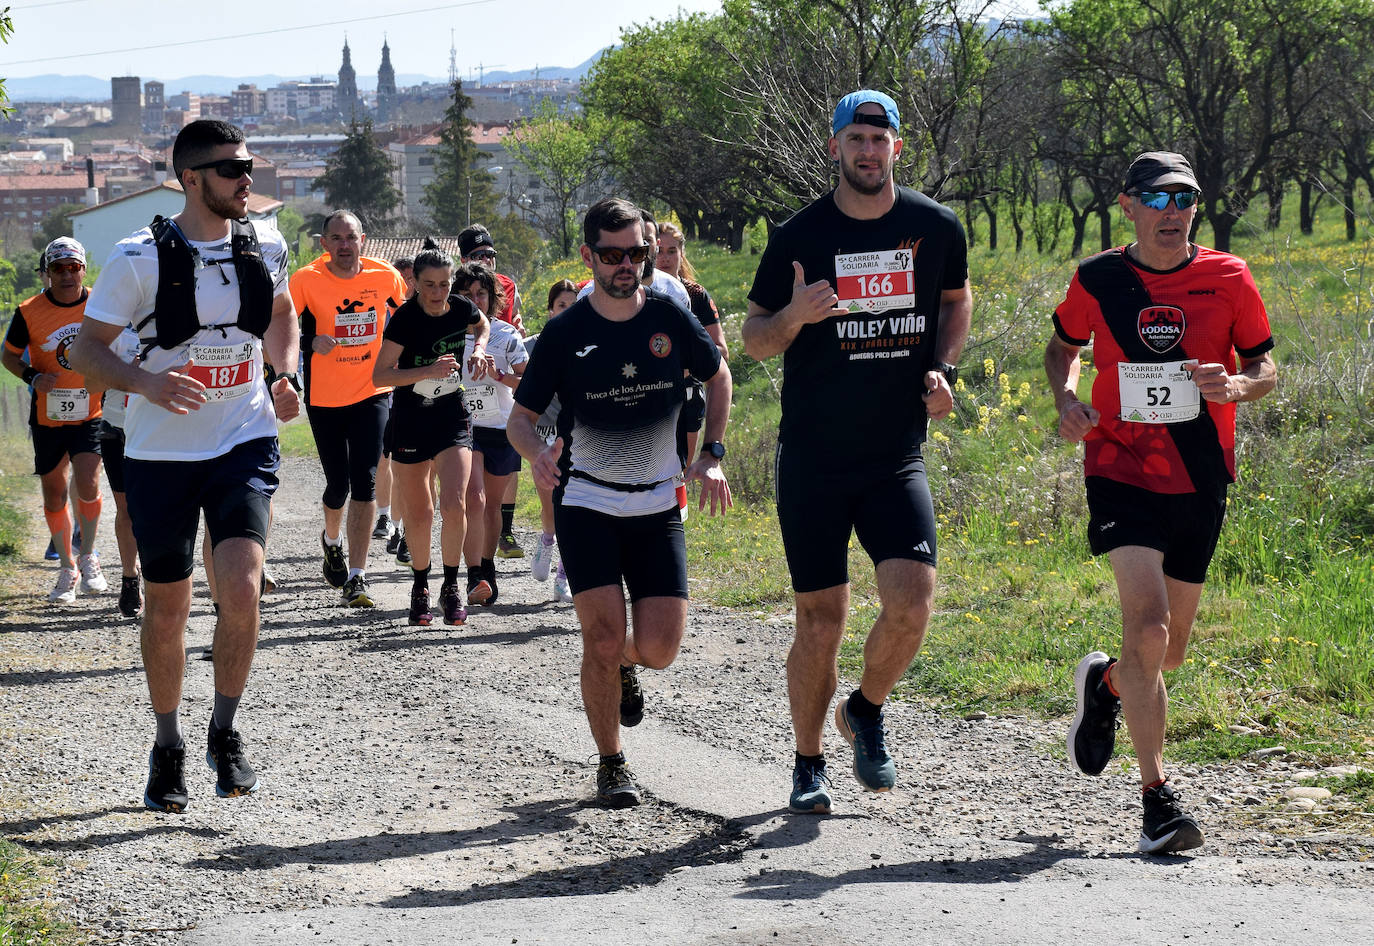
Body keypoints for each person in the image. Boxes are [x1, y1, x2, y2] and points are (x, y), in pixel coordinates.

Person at [741, 90, 972, 815]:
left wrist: (944, 366)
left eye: (881, 139)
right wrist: (794, 316)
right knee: (822, 619)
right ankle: (808, 762)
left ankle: (865, 709)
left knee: (912, 602)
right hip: (813, 458)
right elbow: (751, 338)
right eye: (856, 139)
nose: (869, 151)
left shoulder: (935, 226)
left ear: (897, 147)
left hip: (894, 453)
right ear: (835, 145)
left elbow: (957, 300)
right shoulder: (800, 235)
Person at [1045, 151, 1277, 855]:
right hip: (1120, 465)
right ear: (1129, 205)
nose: (1172, 210)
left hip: (1202, 472)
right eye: (1158, 197)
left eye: (1184, 198)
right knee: (1146, 628)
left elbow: (1266, 364)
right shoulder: (1100, 278)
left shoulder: (1230, 277)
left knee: (1167, 654)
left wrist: (1238, 388)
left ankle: (1107, 686)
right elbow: (1062, 348)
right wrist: (1065, 398)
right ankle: (1158, 801)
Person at [71, 118, 300, 813]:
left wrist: (284, 373)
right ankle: (167, 744)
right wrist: (145, 384)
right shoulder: (136, 258)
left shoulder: (266, 241)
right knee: (168, 608)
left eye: (249, 166)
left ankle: (223, 732)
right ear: (192, 178)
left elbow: (283, 310)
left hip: (243, 440)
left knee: (242, 586)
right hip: (159, 453)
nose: (246, 179)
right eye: (232, 169)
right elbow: (86, 351)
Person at [508, 197, 733, 808]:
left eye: (637, 252)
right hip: (586, 503)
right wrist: (538, 453)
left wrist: (711, 453)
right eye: (612, 255)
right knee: (602, 639)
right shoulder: (564, 332)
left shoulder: (669, 317)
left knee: (658, 647)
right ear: (589, 257)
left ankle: (625, 667)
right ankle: (611, 763)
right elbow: (520, 421)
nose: (627, 265)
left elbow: (718, 375)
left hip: (658, 503)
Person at [290, 209, 409, 607]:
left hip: (372, 391)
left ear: (363, 240)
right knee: (337, 485)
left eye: (351, 237)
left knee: (366, 482)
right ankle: (331, 541)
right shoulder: (306, 280)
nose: (344, 245)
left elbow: (410, 317)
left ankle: (357, 577)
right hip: (324, 399)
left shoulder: (384, 276)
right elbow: (281, 330)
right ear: (324, 244)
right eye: (336, 238)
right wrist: (310, 344)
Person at [372, 245, 490, 627]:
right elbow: (381, 376)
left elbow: (482, 323)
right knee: (420, 514)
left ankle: (451, 586)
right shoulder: (405, 320)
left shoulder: (460, 307)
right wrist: (426, 371)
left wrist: (480, 349)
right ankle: (420, 586)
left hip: (451, 417)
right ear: (416, 284)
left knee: (454, 503)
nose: (438, 293)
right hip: (410, 419)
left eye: (444, 284)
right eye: (429, 285)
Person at [2, 236, 109, 605]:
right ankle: (67, 567)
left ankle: (89, 554)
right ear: (47, 273)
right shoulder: (29, 310)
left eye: (73, 267)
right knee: (53, 492)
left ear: (83, 269)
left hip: (91, 411)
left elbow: (120, 343)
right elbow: (9, 356)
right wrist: (32, 376)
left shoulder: (101, 303)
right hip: (47, 415)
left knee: (89, 481)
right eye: (58, 269)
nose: (67, 275)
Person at [452, 263, 528, 606]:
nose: (474, 299)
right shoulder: (449, 334)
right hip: (464, 427)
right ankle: (474, 575)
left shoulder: (506, 335)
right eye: (466, 294)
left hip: (501, 426)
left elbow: (530, 384)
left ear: (492, 297)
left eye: (480, 293)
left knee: (492, 506)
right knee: (475, 498)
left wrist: (500, 376)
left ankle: (487, 565)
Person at [656, 220, 730, 463]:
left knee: (681, 471)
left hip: (688, 393)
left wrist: (685, 364)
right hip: (650, 394)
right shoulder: (638, 295)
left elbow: (721, 351)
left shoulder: (696, 295)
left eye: (671, 251)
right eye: (658, 252)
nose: (664, 258)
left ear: (681, 253)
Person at [525, 279, 578, 603]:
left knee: (571, 503)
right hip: (542, 434)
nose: (567, 313)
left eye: (573, 307)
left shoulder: (588, 342)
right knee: (550, 501)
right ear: (549, 311)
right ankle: (547, 540)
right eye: (561, 306)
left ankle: (564, 575)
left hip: (574, 434)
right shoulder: (532, 345)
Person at [375, 255, 418, 561]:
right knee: (387, 457)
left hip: (422, 398)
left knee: (416, 469)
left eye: (409, 279)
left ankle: (402, 530)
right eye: (400, 279)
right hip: (389, 392)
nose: (405, 285)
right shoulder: (385, 310)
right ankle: (385, 515)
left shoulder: (430, 310)